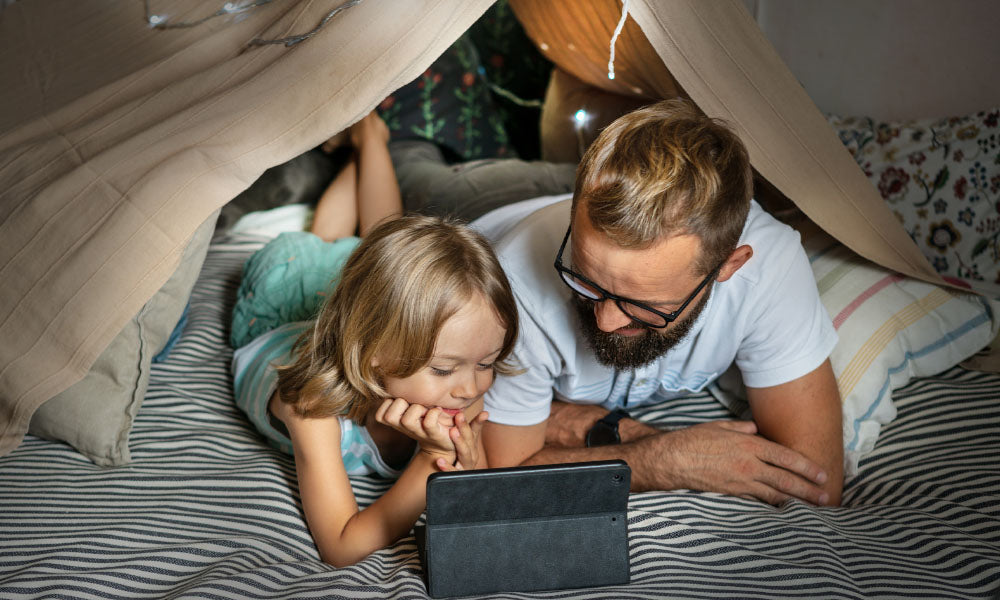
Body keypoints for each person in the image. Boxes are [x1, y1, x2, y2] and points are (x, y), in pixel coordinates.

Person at [471, 98, 845, 507]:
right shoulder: (508, 284)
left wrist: (576, 422)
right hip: (485, 217)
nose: (606, 320)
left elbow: (817, 483)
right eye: (584, 279)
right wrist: (656, 459)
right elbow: (500, 474)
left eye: (644, 305)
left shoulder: (770, 269)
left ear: (728, 266)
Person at [229, 112, 520, 567]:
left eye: (487, 362)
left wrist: (461, 457)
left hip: (359, 309)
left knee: (381, 250)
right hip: (280, 304)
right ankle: (368, 132)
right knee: (325, 243)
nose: (471, 387)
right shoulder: (310, 408)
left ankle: (365, 140)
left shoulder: (460, 386)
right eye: (444, 369)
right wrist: (431, 459)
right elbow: (341, 546)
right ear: (373, 354)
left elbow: (476, 492)